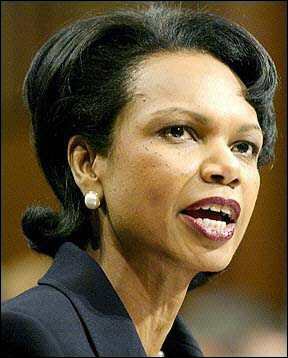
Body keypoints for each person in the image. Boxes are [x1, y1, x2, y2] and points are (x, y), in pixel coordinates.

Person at [1, 2, 278, 357]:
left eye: (243, 146)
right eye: (179, 131)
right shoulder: (29, 337)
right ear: (87, 164)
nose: (227, 167)